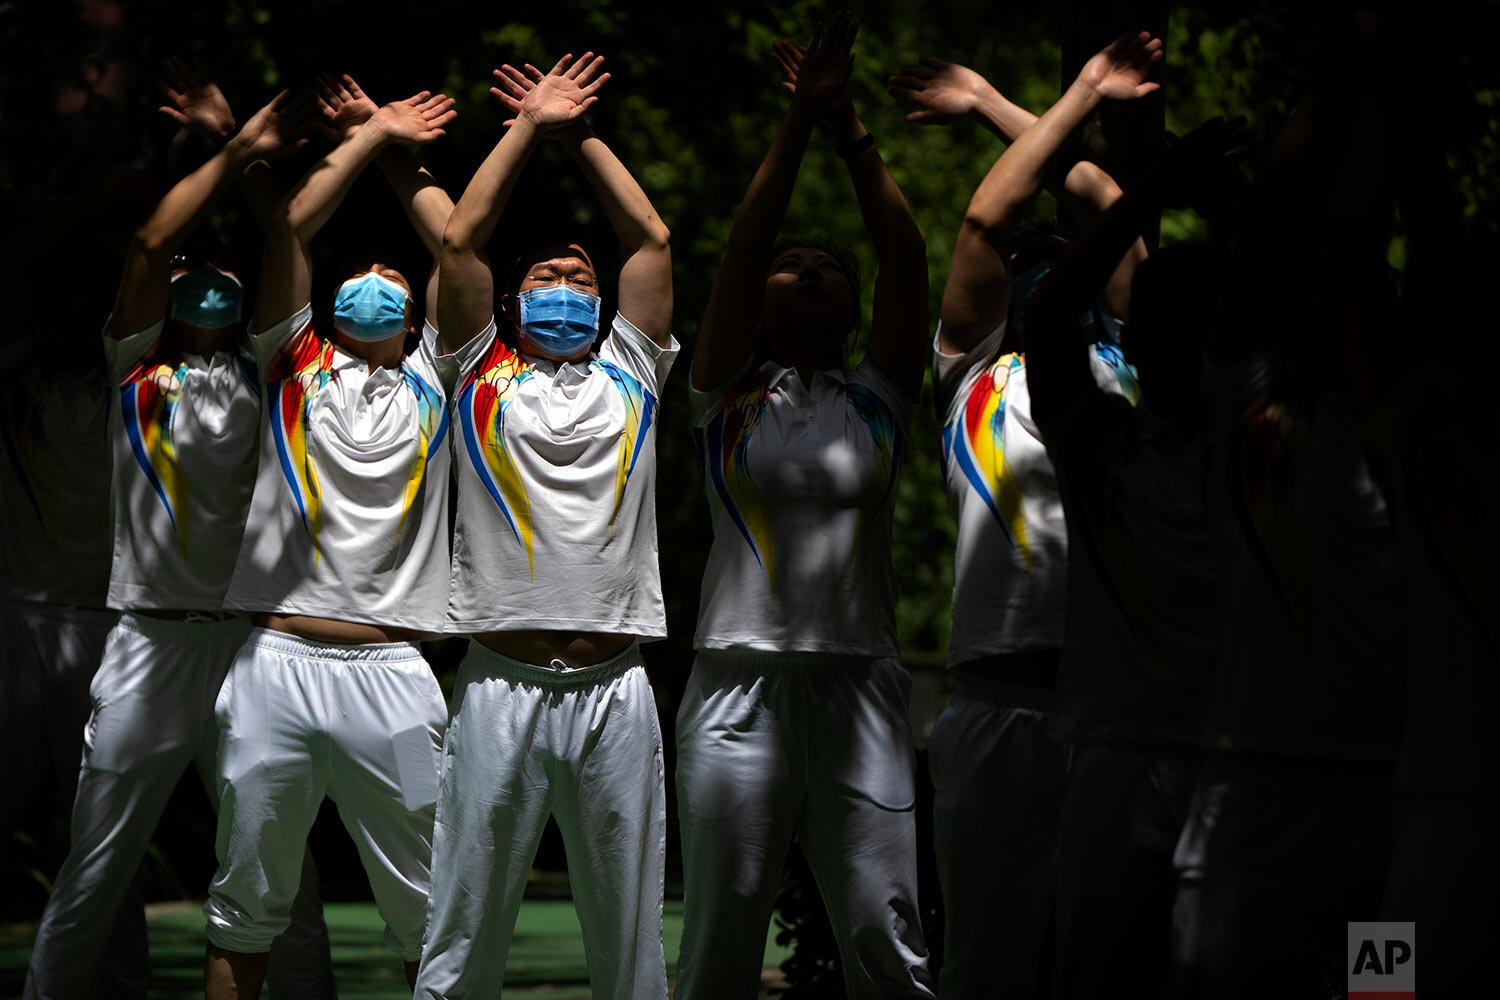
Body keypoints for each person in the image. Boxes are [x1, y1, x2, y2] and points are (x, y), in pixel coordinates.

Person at [20, 79, 339, 1000]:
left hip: (250, 647)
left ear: (246, 301)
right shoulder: (135, 367)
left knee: (287, 874)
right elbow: (155, 240)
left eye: (224, 274)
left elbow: (284, 234)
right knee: (96, 864)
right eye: (190, 275)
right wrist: (228, 151)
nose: (202, 277)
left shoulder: (275, 372)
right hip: (148, 641)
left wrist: (246, 149)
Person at [675, 14, 934, 1000]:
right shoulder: (723, 400)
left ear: (854, 302)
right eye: (796, 262)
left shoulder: (882, 401)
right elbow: (741, 251)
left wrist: (851, 131)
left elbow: (907, 259)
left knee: (884, 931)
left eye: (831, 263)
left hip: (859, 688)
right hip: (735, 689)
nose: (812, 265)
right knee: (719, 939)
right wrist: (795, 129)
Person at [889, 41, 1152, 999]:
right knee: (985, 968)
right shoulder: (966, 370)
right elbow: (987, 216)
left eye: (1065, 264)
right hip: (997, 707)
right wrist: (1075, 91)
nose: (1048, 272)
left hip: (1119, 717)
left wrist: (992, 99)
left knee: (1112, 968)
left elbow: (1106, 211)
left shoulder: (1126, 370)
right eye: (1028, 267)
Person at [413, 51, 677, 1000]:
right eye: (547, 272)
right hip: (497, 688)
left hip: (618, 687)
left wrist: (582, 133)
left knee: (630, 940)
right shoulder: (476, 369)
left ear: (602, 305)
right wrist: (526, 127)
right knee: (463, 927)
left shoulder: (634, 371)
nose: (566, 280)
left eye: (580, 274)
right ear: (515, 299)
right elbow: (457, 248)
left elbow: (651, 241)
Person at [202, 80, 457, 999]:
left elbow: (456, 244)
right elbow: (292, 230)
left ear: (420, 317)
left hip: (394, 670)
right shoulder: (290, 357)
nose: (376, 287)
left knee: (434, 918)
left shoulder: (445, 377)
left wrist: (394, 153)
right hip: (272, 656)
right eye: (363, 277)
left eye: (395, 282)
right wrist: (371, 132)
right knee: (246, 907)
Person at [1022, 104, 1245, 999]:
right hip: (1122, 767)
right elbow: (1049, 316)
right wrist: (1149, 190)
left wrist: (1227, 204)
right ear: (1139, 343)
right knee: (1100, 975)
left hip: (1258, 766)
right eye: (1168, 323)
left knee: (1367, 965)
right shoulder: (1102, 446)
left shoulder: (1286, 450)